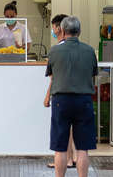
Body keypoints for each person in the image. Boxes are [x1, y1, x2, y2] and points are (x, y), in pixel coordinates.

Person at [45, 16, 98, 177]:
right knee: (82, 148)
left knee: (60, 147)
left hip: (61, 101)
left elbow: (51, 74)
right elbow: (93, 75)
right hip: (84, 100)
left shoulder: (54, 51)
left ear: (62, 30)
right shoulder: (89, 51)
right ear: (79, 31)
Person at [44, 14, 77, 169]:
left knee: (63, 131)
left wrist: (47, 96)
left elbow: (53, 77)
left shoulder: (57, 50)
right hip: (77, 94)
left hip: (62, 95)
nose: (52, 30)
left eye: (53, 27)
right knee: (71, 129)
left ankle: (68, 159)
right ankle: (73, 157)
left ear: (59, 28)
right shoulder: (78, 48)